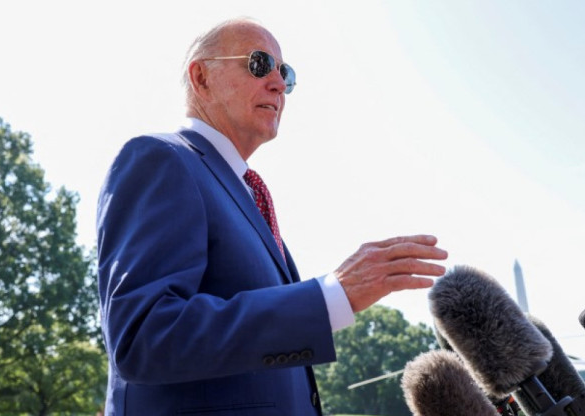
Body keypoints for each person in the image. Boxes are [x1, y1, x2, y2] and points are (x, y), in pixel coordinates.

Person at [96, 18, 448, 415]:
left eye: (287, 74)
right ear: (201, 77)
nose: (279, 84)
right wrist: (330, 296)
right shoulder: (161, 159)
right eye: (260, 64)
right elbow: (143, 336)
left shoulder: (247, 196)